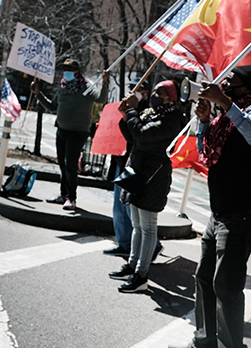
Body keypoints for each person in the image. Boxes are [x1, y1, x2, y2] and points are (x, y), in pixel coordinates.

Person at [167, 65, 251, 348]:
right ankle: (204, 341)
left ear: (245, 86)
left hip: (241, 215)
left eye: (230, 80)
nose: (224, 83)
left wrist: (226, 105)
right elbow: (205, 153)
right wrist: (202, 122)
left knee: (226, 285)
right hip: (220, 213)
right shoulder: (225, 118)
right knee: (203, 278)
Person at [107, 80, 186, 293]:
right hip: (137, 171)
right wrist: (126, 115)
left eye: (160, 92)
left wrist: (132, 111)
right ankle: (132, 265)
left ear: (170, 97)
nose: (154, 95)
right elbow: (132, 136)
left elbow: (143, 135)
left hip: (154, 176)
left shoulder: (173, 119)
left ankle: (141, 275)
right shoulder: (152, 112)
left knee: (148, 227)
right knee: (137, 225)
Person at [31, 59, 109, 210]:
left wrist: (105, 83)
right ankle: (63, 195)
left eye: (70, 69)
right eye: (64, 69)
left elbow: (101, 99)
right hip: (61, 130)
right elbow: (52, 107)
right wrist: (38, 94)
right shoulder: (63, 87)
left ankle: (71, 198)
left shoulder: (86, 87)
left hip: (78, 132)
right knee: (62, 164)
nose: (66, 72)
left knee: (70, 165)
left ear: (77, 71)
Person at [103, 77, 163, 260]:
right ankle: (124, 244)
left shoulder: (146, 113)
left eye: (138, 89)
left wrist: (131, 113)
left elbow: (138, 136)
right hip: (122, 161)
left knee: (133, 211)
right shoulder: (126, 108)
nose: (133, 91)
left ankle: (153, 246)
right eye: (131, 88)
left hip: (135, 165)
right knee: (119, 207)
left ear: (145, 93)